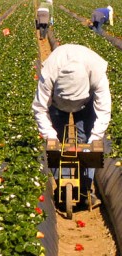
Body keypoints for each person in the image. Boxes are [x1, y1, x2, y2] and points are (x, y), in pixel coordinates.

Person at [32, 44, 111, 207]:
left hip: (85, 104)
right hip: (56, 105)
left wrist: (93, 140)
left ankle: (85, 191)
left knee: (89, 143)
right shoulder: (50, 72)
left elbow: (104, 110)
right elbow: (40, 108)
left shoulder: (96, 71)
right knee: (55, 146)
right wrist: (50, 136)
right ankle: (63, 186)